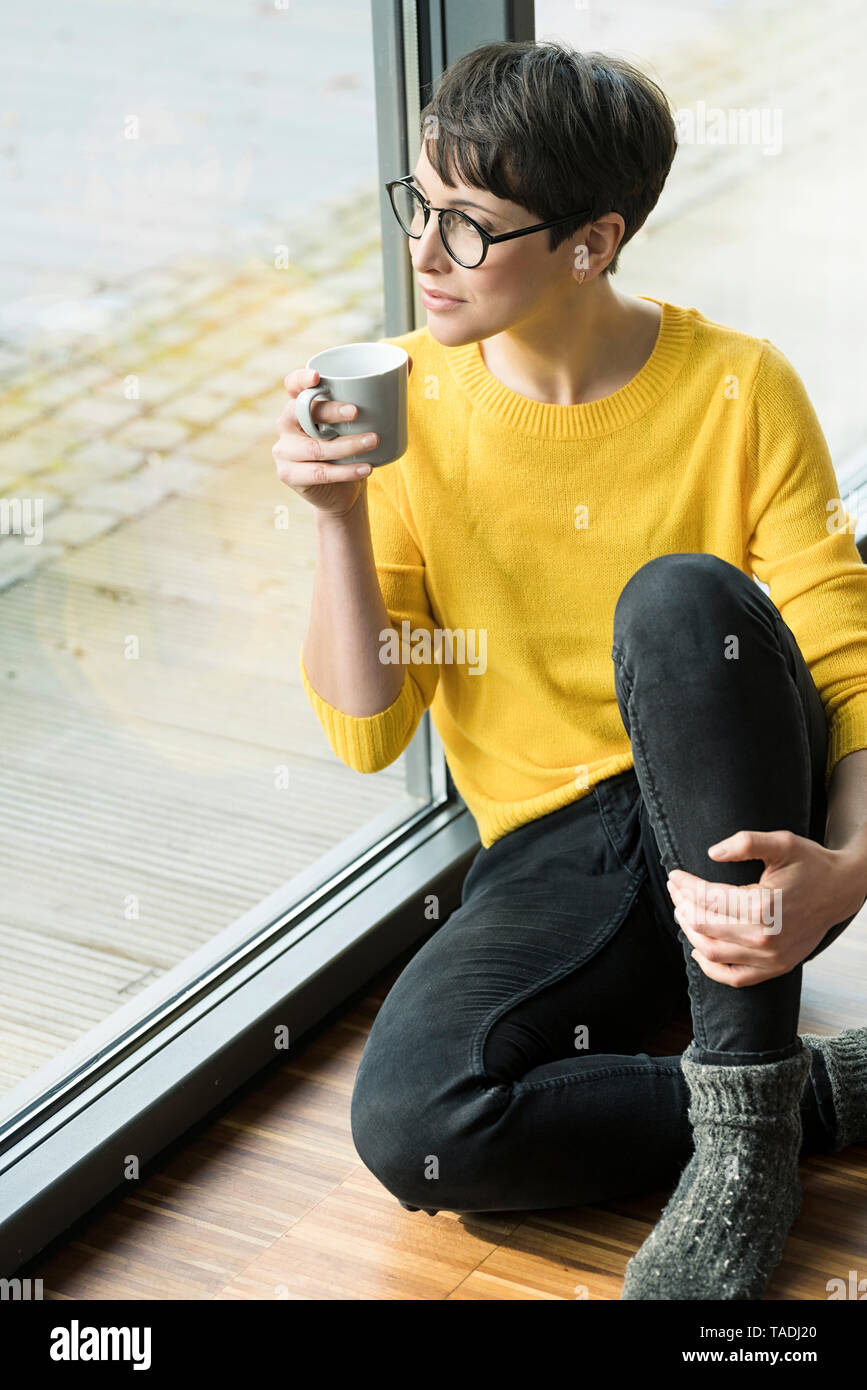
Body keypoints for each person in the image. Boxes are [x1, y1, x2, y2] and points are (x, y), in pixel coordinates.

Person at [273, 40, 867, 1301]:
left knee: (678, 601)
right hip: (558, 850)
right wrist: (335, 516)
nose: (425, 255)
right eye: (419, 206)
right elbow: (369, 735)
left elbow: (848, 675)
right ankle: (802, 1091)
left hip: (734, 791)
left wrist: (851, 871)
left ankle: (745, 1151)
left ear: (593, 242)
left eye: (471, 229)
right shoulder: (403, 405)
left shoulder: (739, 388)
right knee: (417, 1124)